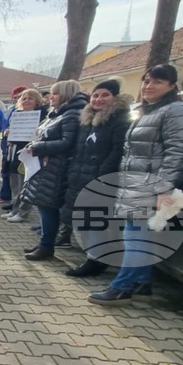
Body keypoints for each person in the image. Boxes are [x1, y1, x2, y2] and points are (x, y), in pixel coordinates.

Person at [89, 65, 183, 304]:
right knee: (138, 235)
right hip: (135, 184)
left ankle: (121, 287)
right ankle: (142, 282)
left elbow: (176, 153)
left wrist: (163, 190)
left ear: (172, 85)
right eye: (146, 81)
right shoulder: (146, 110)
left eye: (157, 81)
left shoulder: (177, 111)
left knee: (135, 237)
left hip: (151, 185)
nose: (148, 86)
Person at [63, 79, 132, 277]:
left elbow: (117, 151)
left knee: (96, 221)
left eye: (105, 95)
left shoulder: (120, 120)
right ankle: (94, 255)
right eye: (95, 95)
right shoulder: (87, 120)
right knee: (84, 220)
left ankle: (97, 260)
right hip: (80, 175)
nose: (99, 99)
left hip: (101, 178)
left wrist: (102, 176)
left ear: (114, 97)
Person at [20, 80, 87, 260]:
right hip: (47, 167)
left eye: (55, 94)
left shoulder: (71, 115)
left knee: (48, 206)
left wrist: (40, 147)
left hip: (57, 169)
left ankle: (47, 246)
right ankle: (45, 242)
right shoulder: (58, 114)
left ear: (65, 95)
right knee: (44, 206)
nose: (50, 97)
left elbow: (67, 143)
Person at [2, 89, 49, 223]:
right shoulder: (17, 114)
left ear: (37, 100)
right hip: (14, 150)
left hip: (30, 152)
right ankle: (15, 209)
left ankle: (23, 212)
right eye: (24, 98)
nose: (26, 101)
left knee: (26, 183)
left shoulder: (42, 115)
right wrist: (8, 132)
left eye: (30, 98)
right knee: (15, 182)